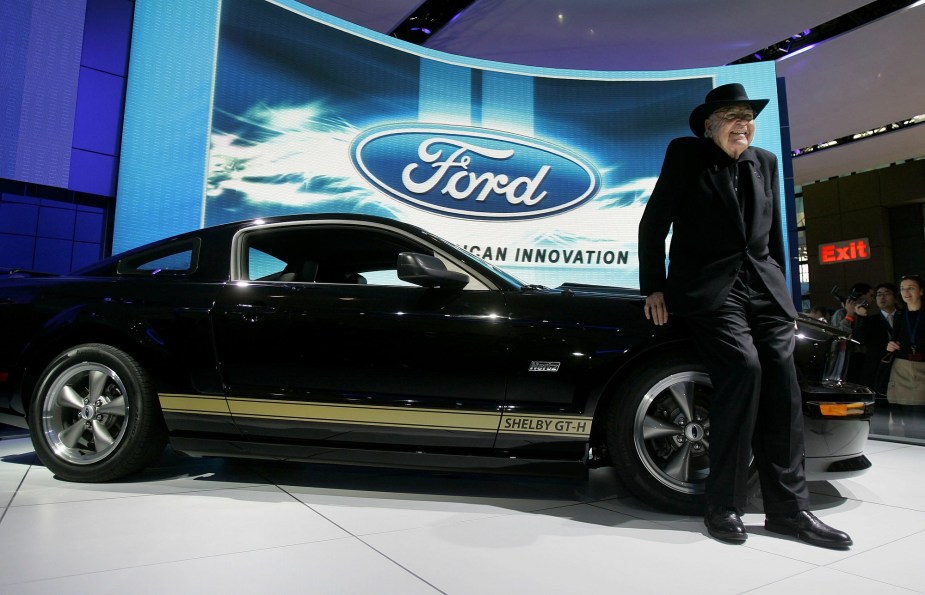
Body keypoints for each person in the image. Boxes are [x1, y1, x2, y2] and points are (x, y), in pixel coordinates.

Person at [638, 83, 852, 548]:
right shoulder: (685, 154)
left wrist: (786, 298)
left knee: (782, 383)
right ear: (710, 125)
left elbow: (775, 235)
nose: (743, 124)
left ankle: (789, 511)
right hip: (710, 287)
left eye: (748, 116)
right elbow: (653, 222)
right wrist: (654, 285)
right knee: (744, 367)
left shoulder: (766, 162)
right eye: (733, 116)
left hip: (764, 287)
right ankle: (724, 504)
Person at [886, 275, 925, 416]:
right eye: (903, 289)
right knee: (907, 413)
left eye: (911, 288)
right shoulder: (899, 315)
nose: (906, 292)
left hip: (923, 366)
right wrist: (890, 345)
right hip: (902, 367)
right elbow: (895, 339)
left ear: (921, 291)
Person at [852, 282, 899, 398]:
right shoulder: (871, 320)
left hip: (901, 367)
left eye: (886, 294)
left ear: (895, 297)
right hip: (877, 370)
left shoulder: (904, 316)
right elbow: (860, 340)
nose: (882, 297)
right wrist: (860, 317)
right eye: (878, 294)